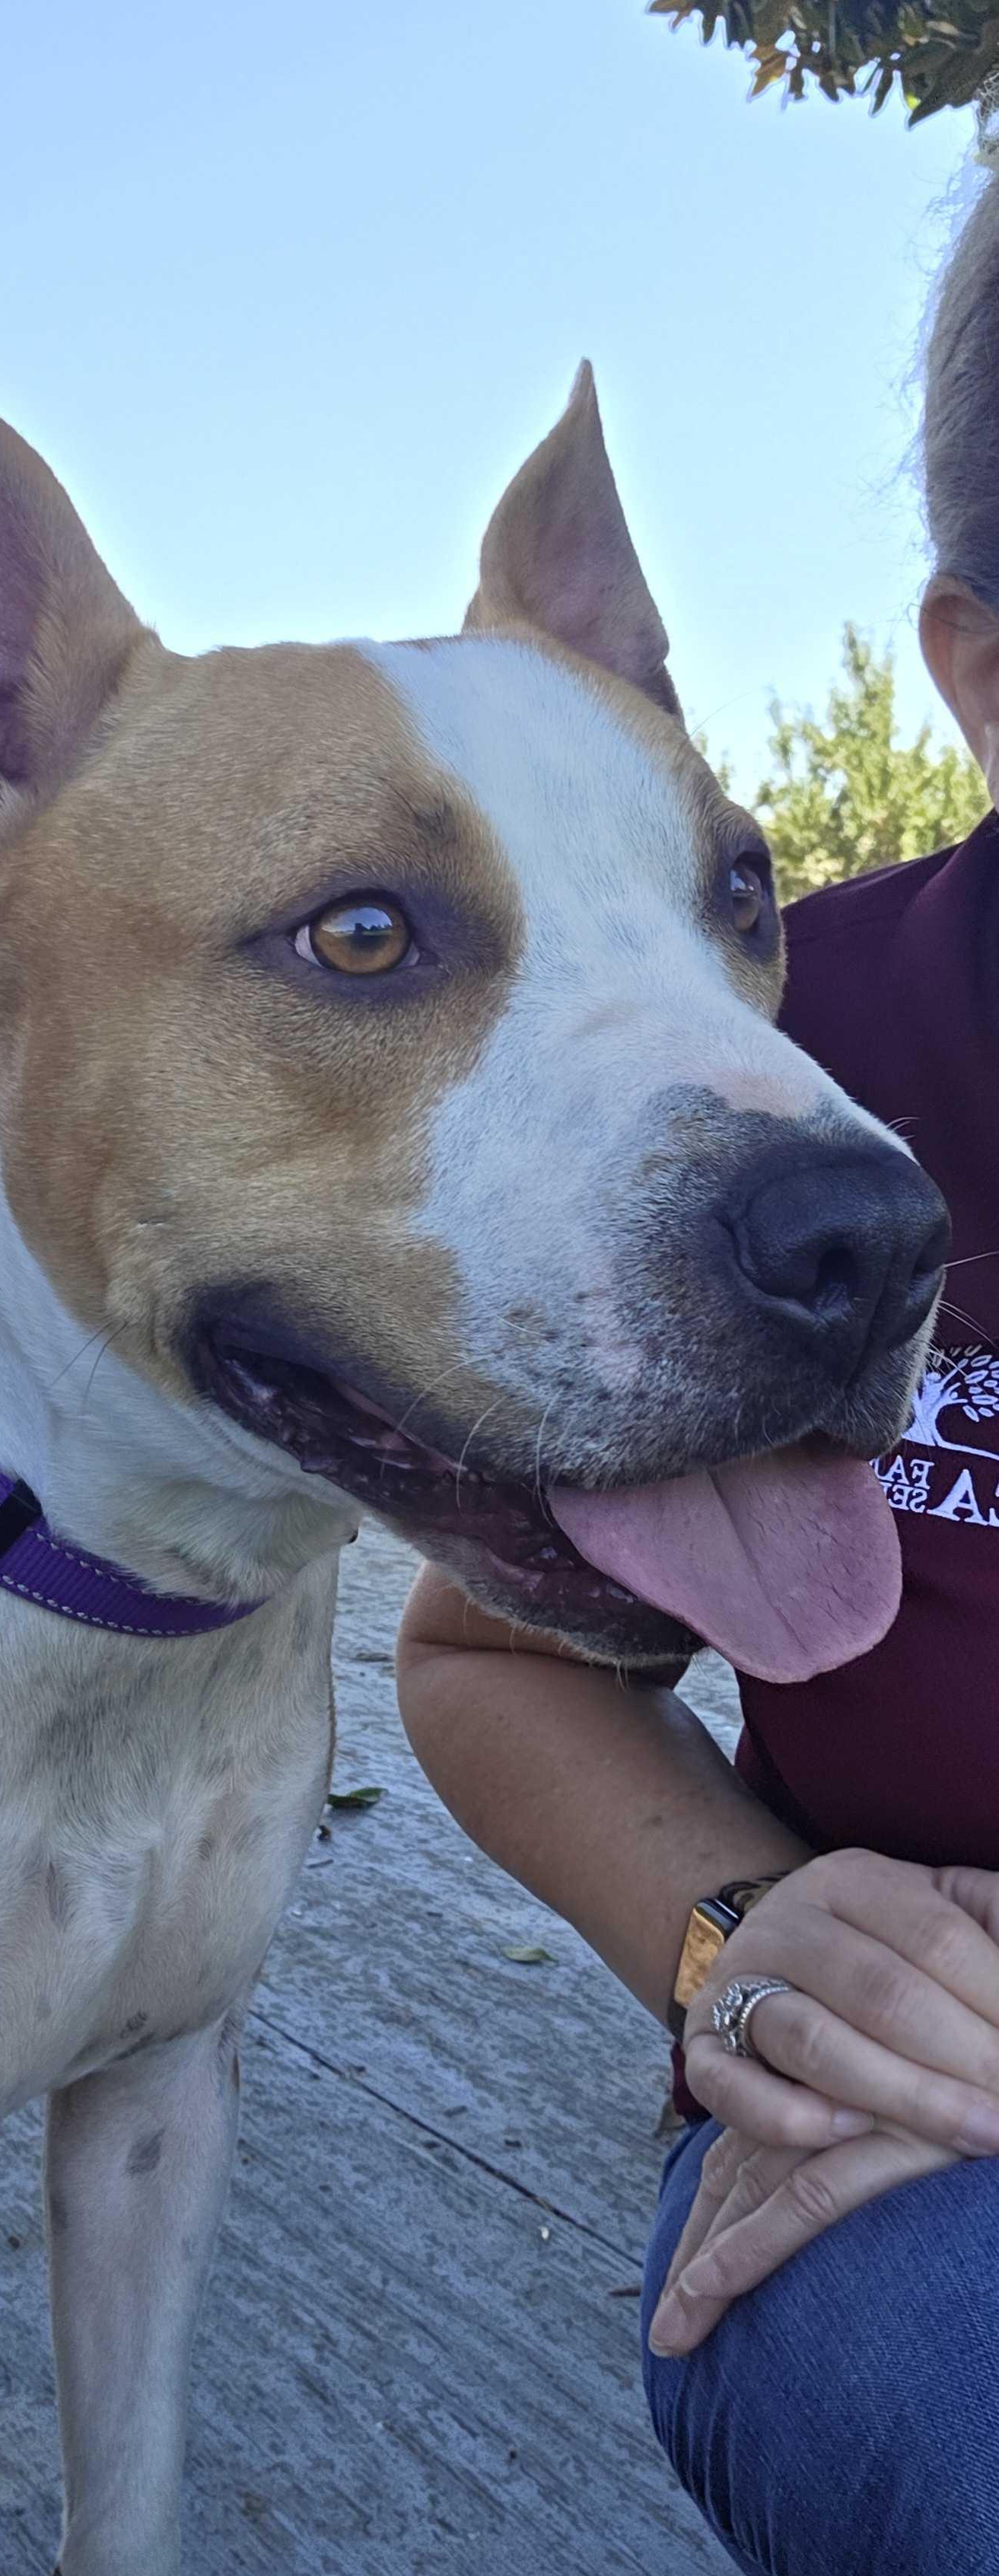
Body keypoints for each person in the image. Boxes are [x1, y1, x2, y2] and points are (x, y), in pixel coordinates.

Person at [398, 129, 999, 2576]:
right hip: (897, 2121)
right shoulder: (780, 1078)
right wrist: (740, 1939)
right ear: (983, 671)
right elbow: (482, 1664)